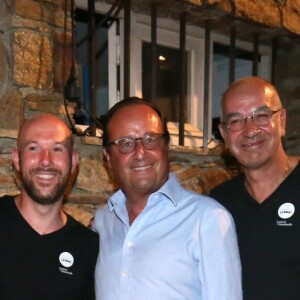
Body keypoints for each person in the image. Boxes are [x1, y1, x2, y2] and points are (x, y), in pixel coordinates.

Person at [92, 97, 242, 300]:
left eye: (150, 139)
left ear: (166, 146)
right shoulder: (102, 223)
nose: (140, 153)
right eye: (126, 144)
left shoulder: (207, 220)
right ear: (108, 157)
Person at [210, 76, 300, 300]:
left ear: (282, 121)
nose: (250, 130)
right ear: (224, 134)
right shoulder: (218, 204)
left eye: (261, 116)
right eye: (236, 121)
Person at [0, 114, 99, 300]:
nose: (46, 160)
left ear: (74, 161)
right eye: (34, 148)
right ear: (16, 159)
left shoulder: (89, 248)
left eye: (57, 149)